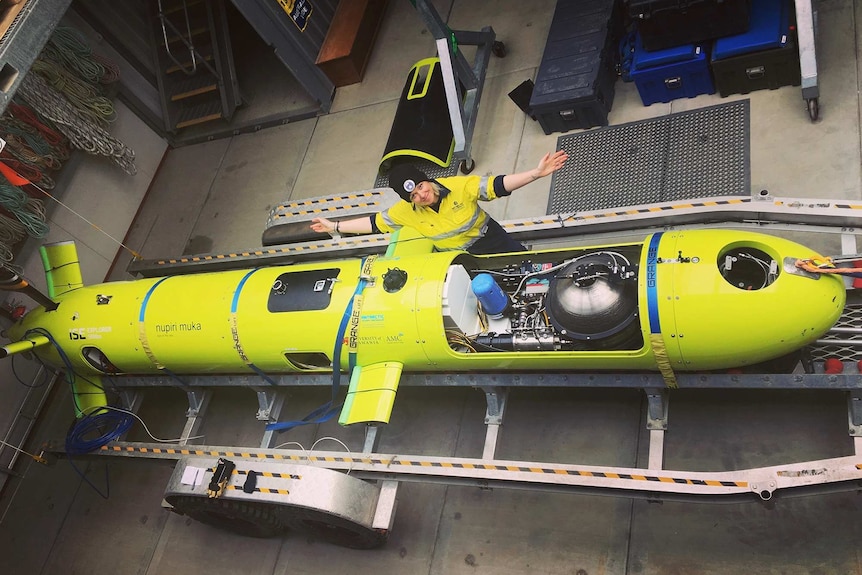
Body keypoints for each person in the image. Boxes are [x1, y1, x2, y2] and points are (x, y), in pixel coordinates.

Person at [310, 150, 569, 255]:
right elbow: (374, 223)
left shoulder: (457, 186)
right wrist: (334, 227)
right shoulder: (405, 212)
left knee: (522, 264)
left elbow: (497, 185)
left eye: (421, 187)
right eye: (413, 196)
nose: (422, 196)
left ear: (427, 180)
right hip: (459, 259)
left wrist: (534, 174)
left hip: (492, 239)